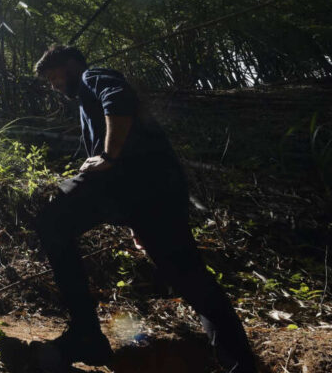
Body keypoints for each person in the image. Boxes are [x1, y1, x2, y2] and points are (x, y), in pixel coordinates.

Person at [33, 45, 256, 371]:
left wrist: (108, 155)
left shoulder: (93, 76)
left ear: (70, 65)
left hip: (133, 181)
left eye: (54, 77)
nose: (54, 85)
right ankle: (240, 364)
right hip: (154, 192)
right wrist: (135, 220)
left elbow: (118, 98)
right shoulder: (86, 102)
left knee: (51, 220)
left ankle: (87, 336)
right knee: (187, 274)